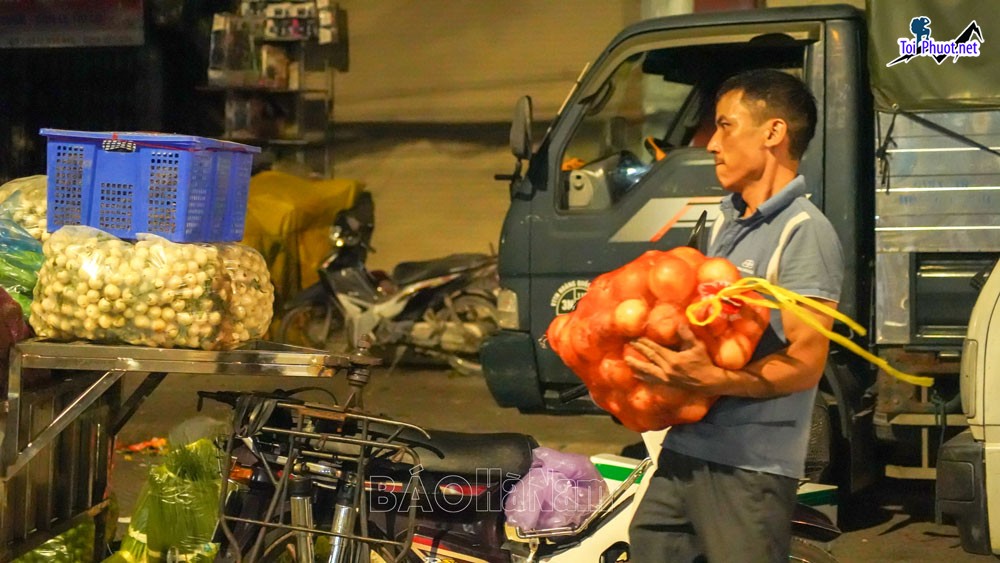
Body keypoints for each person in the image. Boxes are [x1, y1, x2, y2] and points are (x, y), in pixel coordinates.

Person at [625, 68, 845, 563]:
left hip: (749, 468)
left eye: (725, 126)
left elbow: (806, 364)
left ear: (772, 133)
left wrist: (716, 379)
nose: (711, 143)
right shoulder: (724, 220)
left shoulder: (804, 232)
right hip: (684, 451)